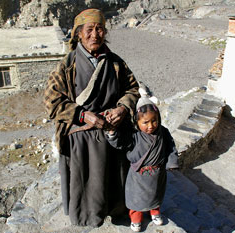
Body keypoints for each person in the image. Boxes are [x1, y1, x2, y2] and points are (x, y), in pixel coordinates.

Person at [43, 8, 140, 227]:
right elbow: (52, 101)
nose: (95, 35)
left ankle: (116, 210)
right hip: (81, 138)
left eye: (100, 29)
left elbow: (133, 89)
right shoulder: (67, 65)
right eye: (89, 29)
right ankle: (88, 216)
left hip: (112, 133)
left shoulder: (116, 63)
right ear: (78, 33)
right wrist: (83, 115)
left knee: (114, 178)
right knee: (88, 183)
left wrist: (123, 109)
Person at [105, 97, 179, 232]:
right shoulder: (134, 136)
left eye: (154, 120)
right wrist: (111, 132)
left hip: (157, 174)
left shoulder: (163, 133)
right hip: (138, 176)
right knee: (136, 200)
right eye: (145, 122)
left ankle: (155, 213)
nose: (151, 126)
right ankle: (136, 220)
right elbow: (120, 143)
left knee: (156, 195)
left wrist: (172, 162)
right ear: (137, 122)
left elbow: (171, 147)